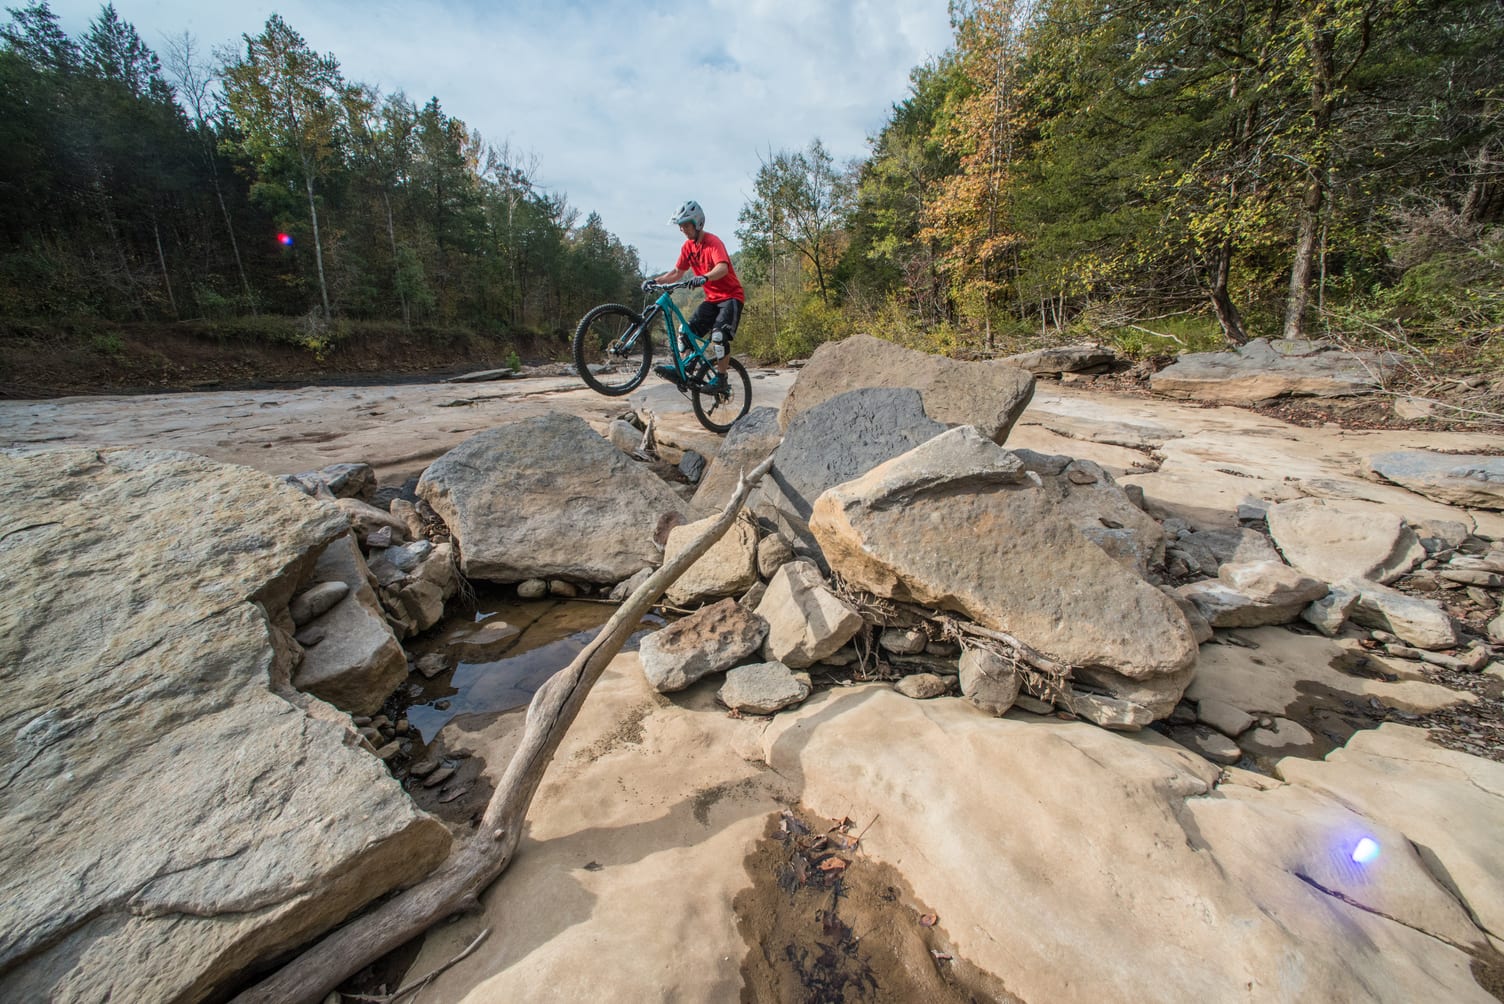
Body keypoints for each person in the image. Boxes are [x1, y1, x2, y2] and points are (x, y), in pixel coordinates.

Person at [643, 200, 744, 394]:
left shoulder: (713, 243)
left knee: (718, 336)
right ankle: (685, 369)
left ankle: (721, 379)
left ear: (698, 224)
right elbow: (676, 273)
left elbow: (722, 268)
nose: (683, 229)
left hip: (730, 298)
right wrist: (655, 281)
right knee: (685, 333)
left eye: (686, 225)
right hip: (712, 300)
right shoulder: (688, 248)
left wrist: (704, 277)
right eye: (680, 226)